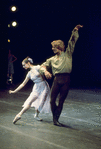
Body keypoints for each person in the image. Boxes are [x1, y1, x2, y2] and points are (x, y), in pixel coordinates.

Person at [39, 24, 83, 126]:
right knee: (51, 101)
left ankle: (56, 119)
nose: (52, 49)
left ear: (58, 47)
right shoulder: (52, 59)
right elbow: (42, 66)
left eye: (53, 47)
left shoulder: (68, 54)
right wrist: (45, 71)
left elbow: (72, 42)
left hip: (66, 80)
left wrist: (75, 31)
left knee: (61, 101)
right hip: (56, 80)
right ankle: (55, 117)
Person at [9, 56, 51, 124]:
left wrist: (46, 72)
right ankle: (19, 115)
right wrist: (14, 91)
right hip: (36, 87)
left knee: (41, 102)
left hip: (43, 86)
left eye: (24, 65)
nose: (23, 67)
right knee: (30, 101)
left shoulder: (37, 67)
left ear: (28, 63)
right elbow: (23, 84)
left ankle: (36, 115)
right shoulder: (29, 73)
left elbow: (43, 69)